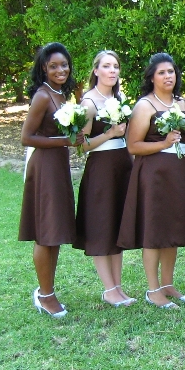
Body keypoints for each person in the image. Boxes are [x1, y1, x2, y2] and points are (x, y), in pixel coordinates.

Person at [117, 53, 185, 309]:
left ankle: (167, 283)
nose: (168, 76)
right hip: (153, 176)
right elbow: (132, 146)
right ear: (151, 77)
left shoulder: (184, 104)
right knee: (154, 231)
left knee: (172, 228)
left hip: (178, 173)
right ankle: (153, 289)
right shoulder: (145, 106)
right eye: (162, 72)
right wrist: (162, 143)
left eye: (171, 71)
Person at [20, 43, 81, 318]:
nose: (61, 70)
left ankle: (49, 290)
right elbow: (26, 137)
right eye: (54, 65)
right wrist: (64, 141)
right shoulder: (43, 96)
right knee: (46, 233)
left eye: (64, 65)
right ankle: (44, 295)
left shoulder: (59, 94)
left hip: (58, 165)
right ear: (44, 68)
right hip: (44, 166)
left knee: (54, 232)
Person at [74, 50, 135, 307]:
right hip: (101, 169)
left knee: (117, 226)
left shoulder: (119, 98)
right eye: (107, 66)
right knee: (102, 226)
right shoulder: (88, 102)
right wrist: (110, 134)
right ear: (96, 70)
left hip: (123, 166)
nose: (113, 71)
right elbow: (81, 145)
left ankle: (118, 287)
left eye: (116, 66)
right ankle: (108, 289)